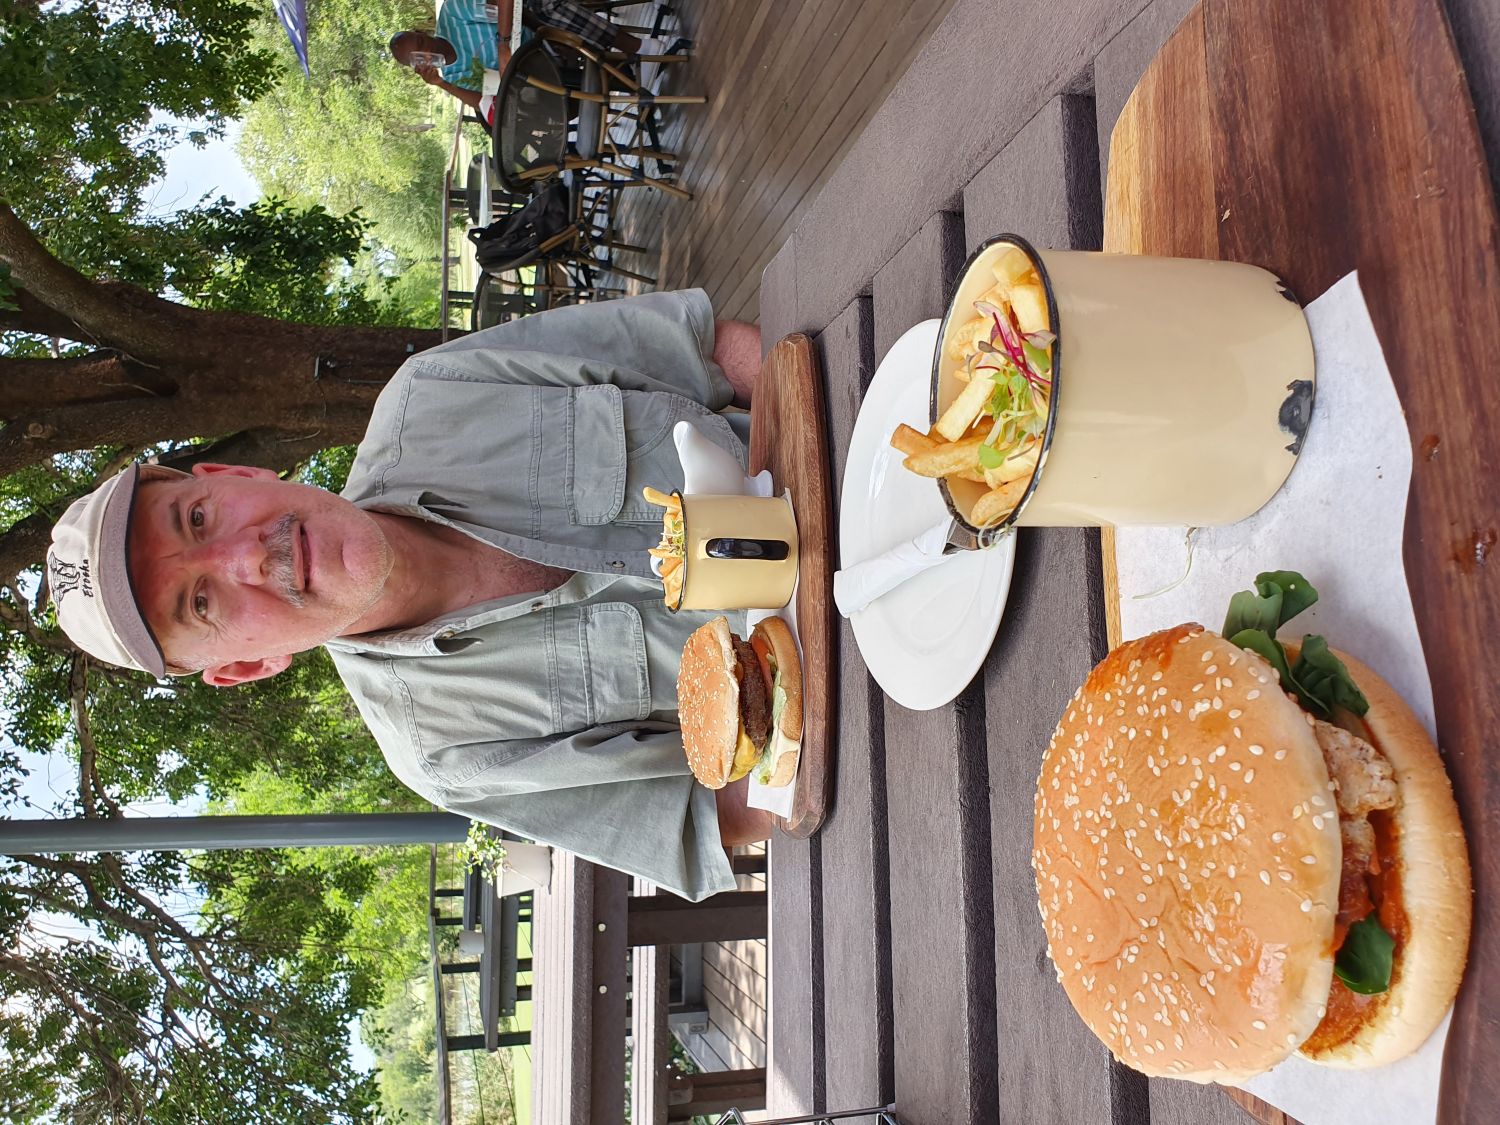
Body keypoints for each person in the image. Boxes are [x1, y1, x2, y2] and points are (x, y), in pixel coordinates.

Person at [46, 291, 768, 902]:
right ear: (247, 667)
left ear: (237, 472)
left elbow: (706, 351)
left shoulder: (432, 390)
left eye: (197, 517)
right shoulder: (443, 755)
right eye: (200, 602)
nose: (246, 555)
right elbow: (712, 812)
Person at [390, 0, 686, 123]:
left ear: (421, 33)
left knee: (546, 7)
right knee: (537, 102)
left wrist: (504, 45)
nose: (426, 54)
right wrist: (441, 84)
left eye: (420, 44)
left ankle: (642, 49)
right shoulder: (453, 75)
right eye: (418, 59)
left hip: (532, 22)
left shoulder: (454, 13)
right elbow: (488, 103)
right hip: (534, 64)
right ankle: (630, 79)